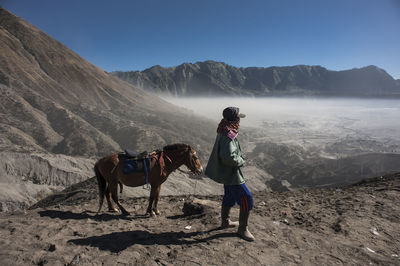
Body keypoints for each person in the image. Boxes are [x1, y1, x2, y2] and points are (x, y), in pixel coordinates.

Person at [205, 107, 255, 241]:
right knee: (246, 198)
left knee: (229, 195)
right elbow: (228, 157)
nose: (239, 121)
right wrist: (241, 161)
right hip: (232, 174)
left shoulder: (223, 129)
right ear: (235, 119)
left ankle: (225, 221)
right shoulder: (229, 134)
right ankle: (242, 229)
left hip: (226, 173)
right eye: (238, 118)